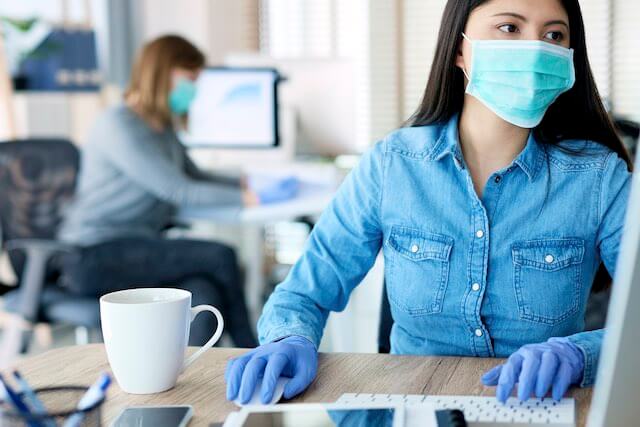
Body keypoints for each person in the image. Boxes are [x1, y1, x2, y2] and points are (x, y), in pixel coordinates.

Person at [225, 0, 633, 405]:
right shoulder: (391, 166)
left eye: (553, 35)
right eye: (509, 28)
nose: (535, 48)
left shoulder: (600, 178)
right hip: (409, 405)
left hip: (542, 405)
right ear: (459, 48)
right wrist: (290, 337)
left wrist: (581, 355)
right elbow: (305, 293)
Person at [57, 35, 279, 347]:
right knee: (220, 256)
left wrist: (244, 183)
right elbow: (177, 189)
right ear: (162, 72)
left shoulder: (160, 127)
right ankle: (252, 350)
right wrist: (243, 198)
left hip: (136, 247)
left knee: (204, 291)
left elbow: (195, 174)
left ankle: (197, 382)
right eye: (190, 78)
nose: (195, 89)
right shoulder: (119, 125)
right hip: (94, 255)